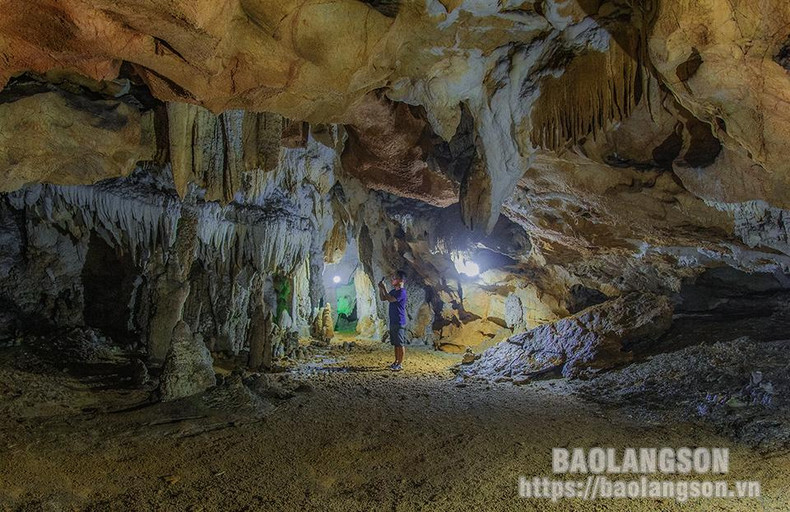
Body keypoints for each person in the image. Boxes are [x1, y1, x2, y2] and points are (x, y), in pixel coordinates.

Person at [378, 270, 407, 371]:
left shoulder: (402, 292)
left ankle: (400, 363)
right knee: (395, 344)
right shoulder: (394, 291)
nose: (392, 279)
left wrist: (384, 288)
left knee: (400, 343)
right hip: (393, 321)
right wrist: (380, 289)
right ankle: (396, 361)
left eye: (394, 278)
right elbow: (383, 298)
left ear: (401, 280)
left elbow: (390, 299)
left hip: (399, 321)